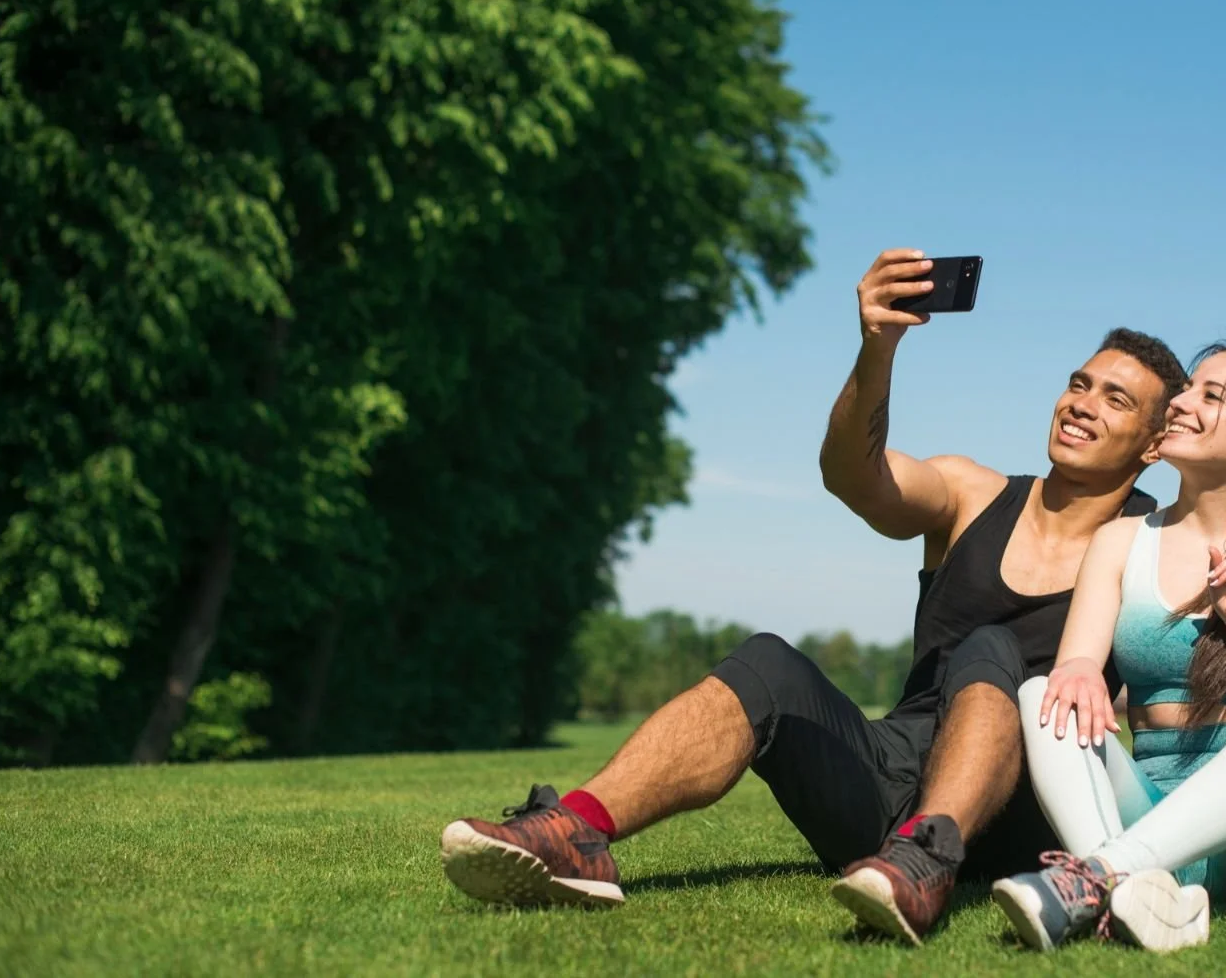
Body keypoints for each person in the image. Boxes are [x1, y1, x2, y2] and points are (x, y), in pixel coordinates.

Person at [437, 248, 1186, 945]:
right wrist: (878, 346)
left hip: (1021, 804)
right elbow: (851, 478)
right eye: (1078, 383)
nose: (1083, 404)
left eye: (1116, 400)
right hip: (893, 773)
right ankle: (576, 832)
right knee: (765, 663)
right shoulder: (970, 493)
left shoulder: (1153, 548)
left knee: (992, 651)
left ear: (1154, 443)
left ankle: (929, 856)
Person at [990, 341, 1226, 954]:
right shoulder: (1121, 541)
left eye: (1210, 396)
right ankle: (1136, 887)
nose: (1180, 402)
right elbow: (1078, 664)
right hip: (1151, 808)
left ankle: (1095, 878)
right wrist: (1074, 668)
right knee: (1042, 691)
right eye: (1187, 390)